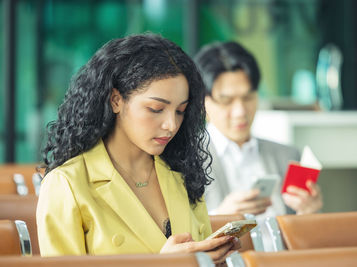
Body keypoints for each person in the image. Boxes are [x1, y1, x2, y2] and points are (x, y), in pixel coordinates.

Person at [36, 34, 239, 264]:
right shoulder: (67, 185)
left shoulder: (182, 174)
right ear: (115, 100)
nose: (171, 125)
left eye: (180, 111)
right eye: (155, 109)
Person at [194, 41, 323, 250]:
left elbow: (309, 242)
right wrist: (220, 217)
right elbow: (178, 238)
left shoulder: (287, 155)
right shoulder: (186, 160)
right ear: (202, 102)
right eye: (226, 101)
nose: (240, 111)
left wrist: (308, 214)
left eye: (248, 97)